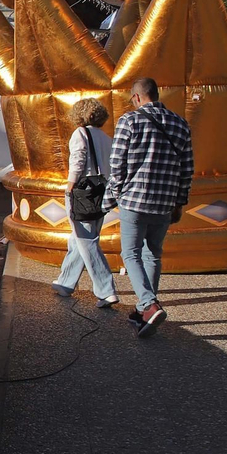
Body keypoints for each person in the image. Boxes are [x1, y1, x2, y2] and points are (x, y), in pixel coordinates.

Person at [103, 77, 194, 337]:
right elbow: (187, 169)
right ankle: (144, 313)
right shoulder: (180, 123)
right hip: (165, 201)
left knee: (130, 254)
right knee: (152, 253)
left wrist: (110, 198)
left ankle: (148, 304)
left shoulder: (129, 121)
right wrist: (179, 202)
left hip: (134, 199)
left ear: (138, 97)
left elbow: (117, 165)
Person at [53, 98, 119, 307]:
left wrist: (70, 186)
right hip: (102, 192)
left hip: (82, 191)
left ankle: (106, 290)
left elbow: (78, 160)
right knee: (79, 238)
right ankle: (65, 283)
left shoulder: (80, 134)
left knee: (86, 240)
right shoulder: (107, 138)